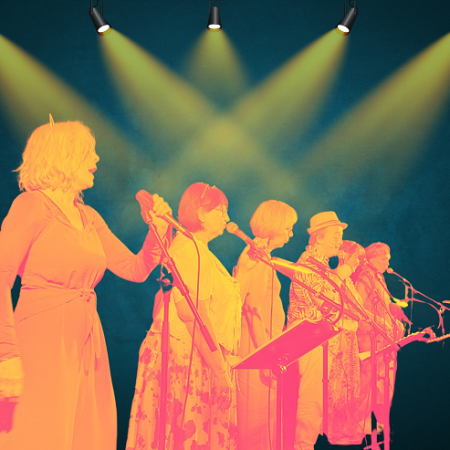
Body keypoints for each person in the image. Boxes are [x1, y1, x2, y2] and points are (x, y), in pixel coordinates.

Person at [0, 118, 171, 450]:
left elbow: (135, 269)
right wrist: (5, 354)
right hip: (43, 335)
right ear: (63, 155)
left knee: (84, 433)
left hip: (87, 339)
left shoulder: (88, 216)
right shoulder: (31, 206)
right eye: (88, 152)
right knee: (42, 433)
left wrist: (156, 230)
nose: (96, 159)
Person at [126, 182, 244, 450]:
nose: (227, 217)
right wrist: (219, 370)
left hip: (199, 353)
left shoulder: (200, 251)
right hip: (186, 354)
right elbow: (195, 315)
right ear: (201, 213)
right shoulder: (189, 249)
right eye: (221, 210)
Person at [233, 200, 297, 450]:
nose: (291, 234)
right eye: (288, 228)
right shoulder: (256, 259)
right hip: (255, 351)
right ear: (274, 226)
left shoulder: (264, 258)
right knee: (254, 423)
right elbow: (252, 311)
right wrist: (269, 356)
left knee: (263, 423)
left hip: (262, 348)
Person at [286, 211, 349, 450]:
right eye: (335, 235)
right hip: (308, 340)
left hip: (318, 341)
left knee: (316, 400)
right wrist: (341, 275)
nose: (340, 241)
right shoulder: (307, 265)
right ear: (319, 238)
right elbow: (325, 303)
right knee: (310, 398)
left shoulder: (321, 266)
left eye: (340, 235)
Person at [352, 242, 406, 432]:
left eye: (388, 259)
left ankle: (382, 422)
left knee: (384, 382)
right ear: (371, 259)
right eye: (383, 258)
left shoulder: (379, 278)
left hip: (383, 339)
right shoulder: (363, 278)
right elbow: (358, 310)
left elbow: (381, 307)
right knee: (367, 383)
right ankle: (360, 425)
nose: (387, 262)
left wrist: (393, 316)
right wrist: (381, 322)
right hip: (367, 339)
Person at [326, 240, 369, 445]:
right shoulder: (336, 277)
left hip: (350, 335)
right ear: (345, 256)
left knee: (351, 384)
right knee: (338, 384)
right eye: (357, 257)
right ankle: (335, 430)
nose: (360, 261)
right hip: (339, 335)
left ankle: (347, 428)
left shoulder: (349, 280)